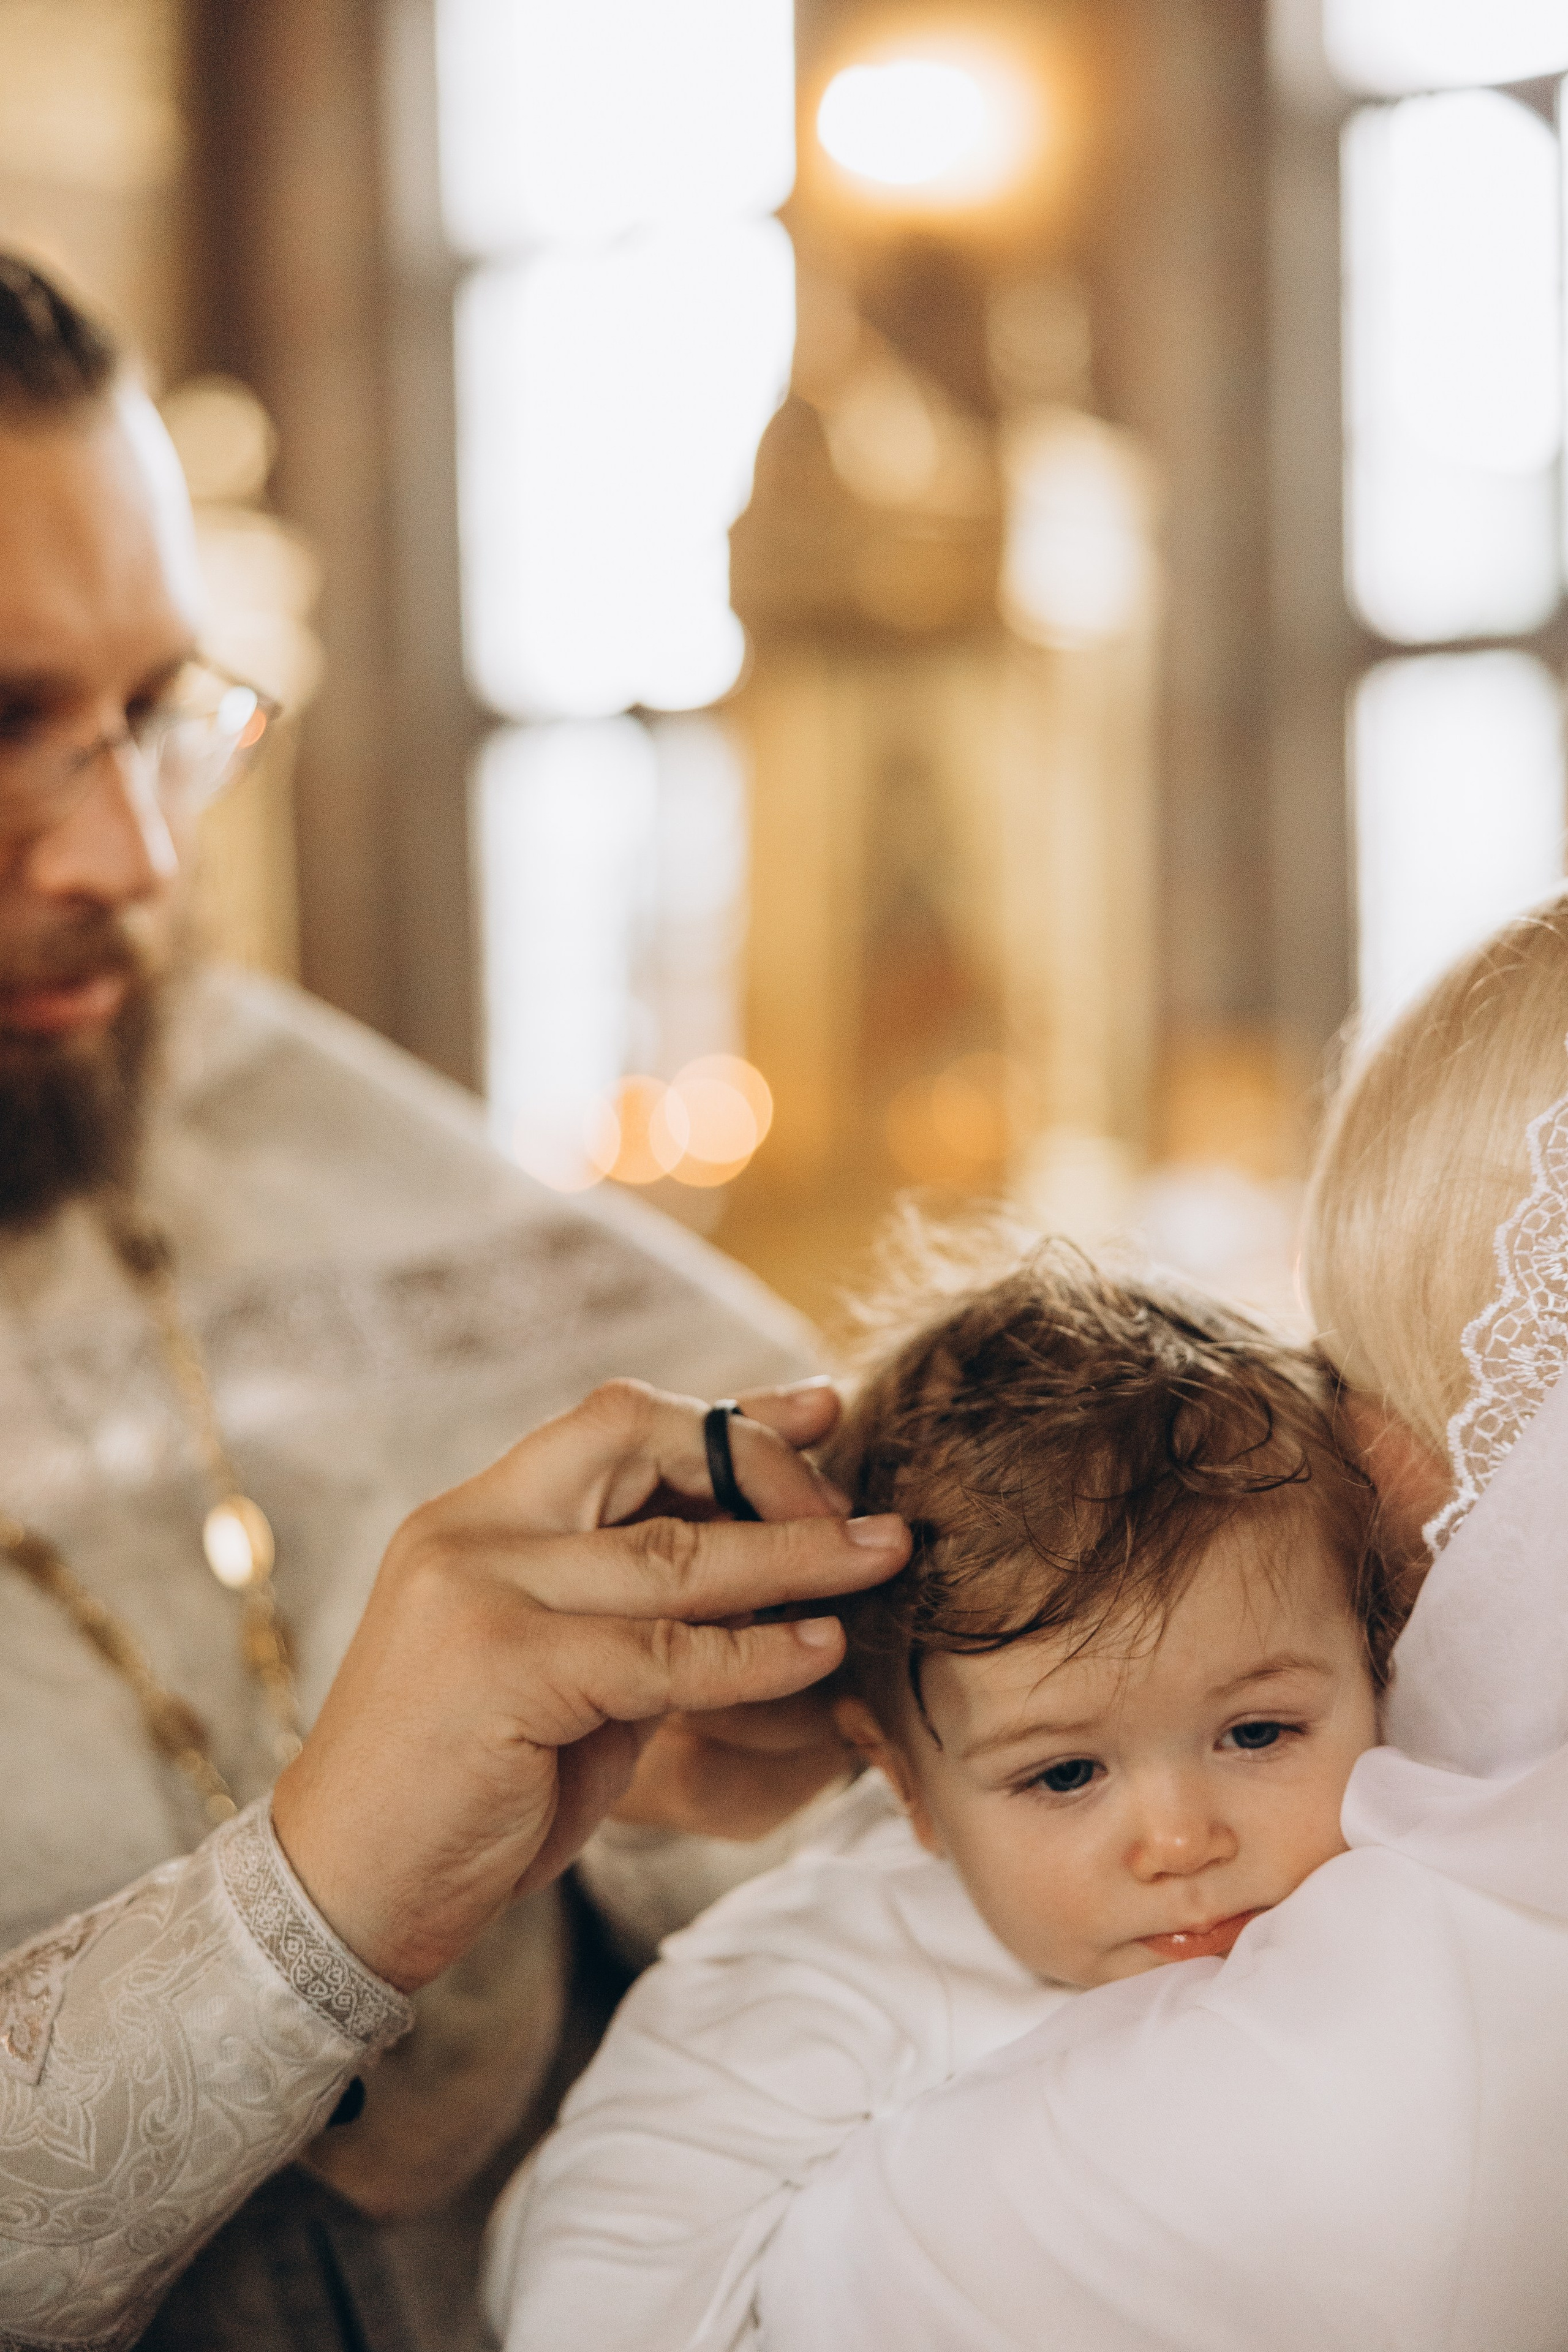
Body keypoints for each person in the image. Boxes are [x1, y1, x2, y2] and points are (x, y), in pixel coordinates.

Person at [0, 252, 911, 2350]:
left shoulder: (278, 1125)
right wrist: (326, 1887)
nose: (132, 857)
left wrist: (673, 1805)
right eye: (1, 728)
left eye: (157, 713)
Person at [735, 894, 1568, 2350]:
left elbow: (768, 2291)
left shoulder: (1409, 2045)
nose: (1173, 1837)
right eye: (1061, 1769)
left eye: (1365, 1375)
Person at [488, 1246, 1394, 2350]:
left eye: (1258, 1733)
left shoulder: (1413, 1886)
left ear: (1376, 1667)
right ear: (907, 1784)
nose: (1180, 1839)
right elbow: (586, 2304)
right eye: (1065, 1774)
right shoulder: (810, 1982)